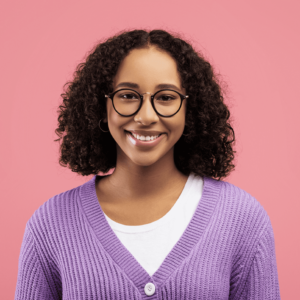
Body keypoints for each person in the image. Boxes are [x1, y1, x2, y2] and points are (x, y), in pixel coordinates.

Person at [14, 29, 281, 299]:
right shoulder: (50, 225)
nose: (146, 116)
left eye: (166, 97)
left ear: (191, 111)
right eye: (128, 96)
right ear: (101, 107)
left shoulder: (243, 220)